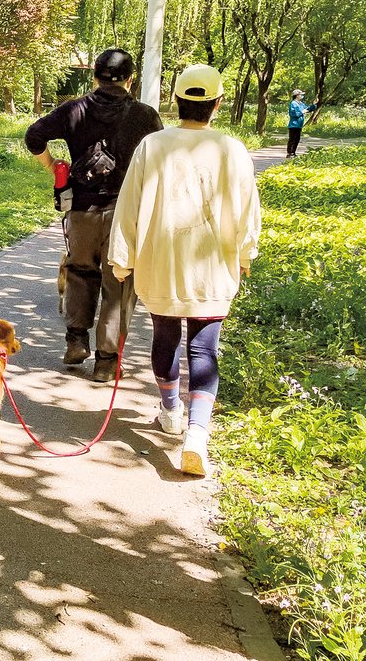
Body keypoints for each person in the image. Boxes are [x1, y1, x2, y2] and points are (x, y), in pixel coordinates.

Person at [108, 64, 261, 476]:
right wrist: (245, 254)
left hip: (160, 263)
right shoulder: (233, 150)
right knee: (204, 349)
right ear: (218, 102)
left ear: (177, 101)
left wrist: (122, 258)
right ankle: (196, 435)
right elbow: (248, 211)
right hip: (211, 267)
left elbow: (129, 205)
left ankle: (171, 411)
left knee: (165, 336)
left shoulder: (152, 146)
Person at [24, 49, 164, 381]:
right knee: (118, 281)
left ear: (94, 77)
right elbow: (160, 159)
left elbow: (34, 136)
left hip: (81, 210)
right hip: (124, 213)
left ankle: (76, 340)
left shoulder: (74, 110)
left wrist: (53, 166)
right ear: (131, 79)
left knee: (79, 271)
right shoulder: (145, 115)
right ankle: (105, 361)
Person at [286, 88, 315, 158]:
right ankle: (289, 153)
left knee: (297, 139)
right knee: (292, 139)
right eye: (300, 94)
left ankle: (293, 152)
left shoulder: (301, 103)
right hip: (294, 125)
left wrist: (313, 106)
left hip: (299, 125)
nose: (302, 96)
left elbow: (307, 109)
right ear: (296, 95)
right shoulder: (293, 103)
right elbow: (294, 113)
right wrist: (302, 112)